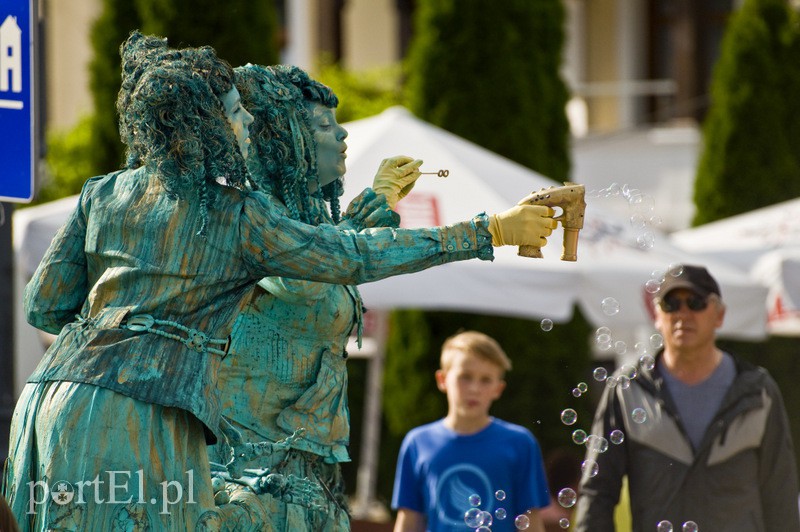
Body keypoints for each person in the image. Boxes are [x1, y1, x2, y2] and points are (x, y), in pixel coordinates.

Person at [3, 31, 558, 531]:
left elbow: (44, 306)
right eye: (236, 114)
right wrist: (486, 231)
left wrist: (120, 321)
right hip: (143, 410)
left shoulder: (104, 192)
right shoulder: (234, 212)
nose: (246, 124)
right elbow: (342, 259)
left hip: (50, 400)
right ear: (206, 126)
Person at [207, 63, 410, 531]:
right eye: (322, 125)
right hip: (247, 462)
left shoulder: (313, 215)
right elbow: (300, 277)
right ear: (281, 139)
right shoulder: (251, 208)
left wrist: (370, 207)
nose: (341, 135)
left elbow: (326, 258)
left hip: (309, 452)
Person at [574, 264, 800, 531]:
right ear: (656, 314)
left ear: (719, 315)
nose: (683, 314)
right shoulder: (627, 389)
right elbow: (598, 490)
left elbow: (780, 492)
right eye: (671, 304)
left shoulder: (758, 390)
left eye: (696, 302)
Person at [391, 330, 550, 532]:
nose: (474, 388)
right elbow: (409, 521)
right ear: (442, 379)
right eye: (465, 377)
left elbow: (531, 522)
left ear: (498, 389)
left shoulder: (520, 443)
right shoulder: (417, 442)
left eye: (486, 380)